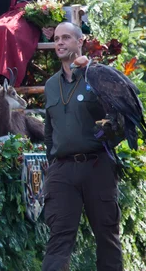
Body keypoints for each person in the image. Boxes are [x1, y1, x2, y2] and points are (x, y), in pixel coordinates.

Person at [42, 22, 122, 271]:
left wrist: (109, 132)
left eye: (66, 37)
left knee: (107, 237)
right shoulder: (50, 85)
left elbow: (120, 121)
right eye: (56, 38)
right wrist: (53, 164)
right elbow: (49, 130)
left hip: (97, 166)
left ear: (80, 42)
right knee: (58, 240)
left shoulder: (97, 76)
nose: (60, 42)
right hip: (63, 170)